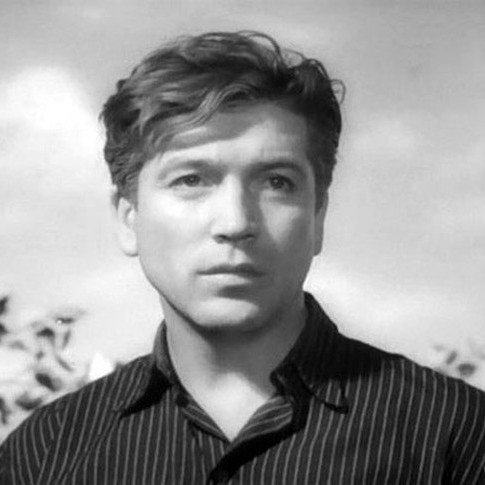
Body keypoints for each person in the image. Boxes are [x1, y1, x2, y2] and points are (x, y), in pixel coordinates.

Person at [1, 31, 484, 485]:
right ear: (129, 218)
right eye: (191, 179)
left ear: (318, 216)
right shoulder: (42, 455)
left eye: (276, 182)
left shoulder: (458, 435)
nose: (235, 222)